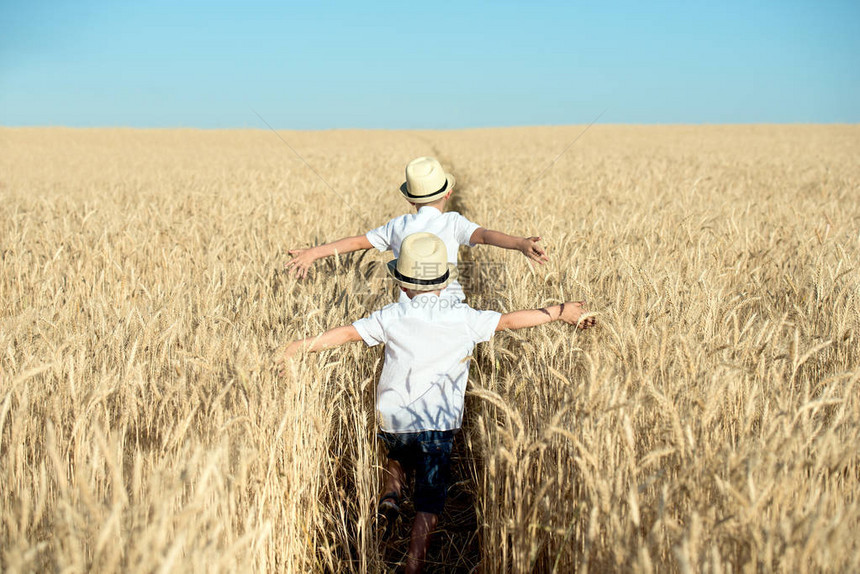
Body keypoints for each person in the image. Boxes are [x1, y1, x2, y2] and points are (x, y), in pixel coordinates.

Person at [279, 233, 595, 573]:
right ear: (444, 284)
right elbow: (510, 320)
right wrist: (560, 312)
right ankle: (414, 563)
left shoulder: (391, 315)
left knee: (397, 454)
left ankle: (389, 497)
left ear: (403, 285)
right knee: (430, 500)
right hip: (438, 423)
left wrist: (298, 346)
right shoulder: (463, 318)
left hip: (395, 416)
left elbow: (344, 334)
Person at [285, 156, 548, 302]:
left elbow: (355, 243)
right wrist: (520, 244)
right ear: (448, 194)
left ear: (410, 199)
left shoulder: (398, 225)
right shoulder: (454, 221)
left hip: (408, 309)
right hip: (450, 306)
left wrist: (313, 253)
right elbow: (486, 236)